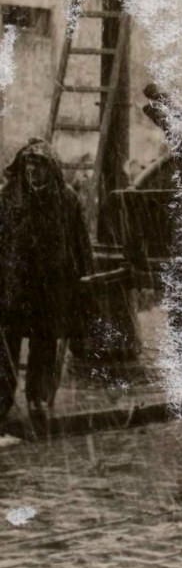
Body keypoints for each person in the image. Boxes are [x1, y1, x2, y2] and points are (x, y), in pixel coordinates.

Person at [0, 138, 95, 426]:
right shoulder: (9, 196)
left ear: (50, 169)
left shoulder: (67, 200)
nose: (33, 172)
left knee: (44, 344)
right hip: (14, 286)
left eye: (39, 166)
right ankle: (3, 401)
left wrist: (84, 282)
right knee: (6, 345)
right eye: (29, 165)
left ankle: (37, 399)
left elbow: (81, 244)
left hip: (49, 288)